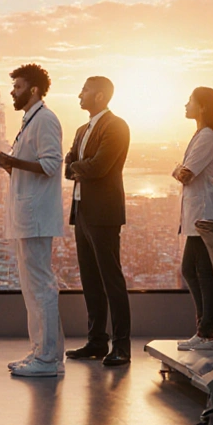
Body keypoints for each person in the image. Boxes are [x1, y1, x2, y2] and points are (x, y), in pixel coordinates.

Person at [0, 64, 67, 378]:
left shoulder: (45, 119)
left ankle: (47, 358)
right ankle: (43, 352)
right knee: (32, 287)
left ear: (33, 89)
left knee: (41, 287)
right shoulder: (30, 120)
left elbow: (50, 164)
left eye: (18, 87)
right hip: (26, 215)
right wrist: (7, 164)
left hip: (35, 217)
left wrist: (11, 160)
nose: (12, 92)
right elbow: (28, 168)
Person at [64, 76, 133, 367]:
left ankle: (121, 346)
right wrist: (80, 168)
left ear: (101, 96)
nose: (80, 94)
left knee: (111, 281)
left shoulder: (116, 126)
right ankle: (96, 341)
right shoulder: (82, 129)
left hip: (103, 213)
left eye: (86, 90)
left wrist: (78, 168)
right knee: (90, 280)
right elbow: (69, 167)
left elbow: (100, 166)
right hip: (82, 211)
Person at [172, 87, 213, 351]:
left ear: (202, 107)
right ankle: (203, 330)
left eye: (189, 101)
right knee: (191, 270)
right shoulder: (202, 134)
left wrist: (176, 169)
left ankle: (206, 333)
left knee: (202, 272)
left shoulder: (207, 136)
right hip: (197, 213)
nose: (185, 104)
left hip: (203, 213)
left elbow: (186, 174)